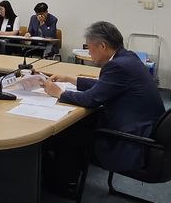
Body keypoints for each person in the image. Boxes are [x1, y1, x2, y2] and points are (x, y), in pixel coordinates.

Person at [41, 21, 164, 173]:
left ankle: (63, 182)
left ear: (102, 46)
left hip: (130, 137)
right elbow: (105, 86)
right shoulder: (127, 57)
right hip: (145, 128)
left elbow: (91, 100)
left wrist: (59, 93)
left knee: (68, 131)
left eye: (89, 48)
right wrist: (70, 79)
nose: (89, 53)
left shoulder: (117, 66)